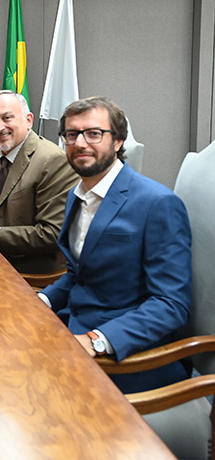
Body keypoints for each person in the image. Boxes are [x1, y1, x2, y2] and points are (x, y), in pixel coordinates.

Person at [40, 97, 192, 393]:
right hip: (69, 328)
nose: (80, 143)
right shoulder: (77, 194)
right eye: (71, 134)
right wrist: (41, 302)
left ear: (118, 141)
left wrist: (98, 339)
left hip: (126, 356)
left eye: (94, 133)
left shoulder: (157, 203)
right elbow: (78, 274)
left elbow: (171, 304)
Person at [0, 90, 78, 274]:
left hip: (34, 275)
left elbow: (52, 234)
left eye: (7, 118)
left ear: (28, 120)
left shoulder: (54, 161)